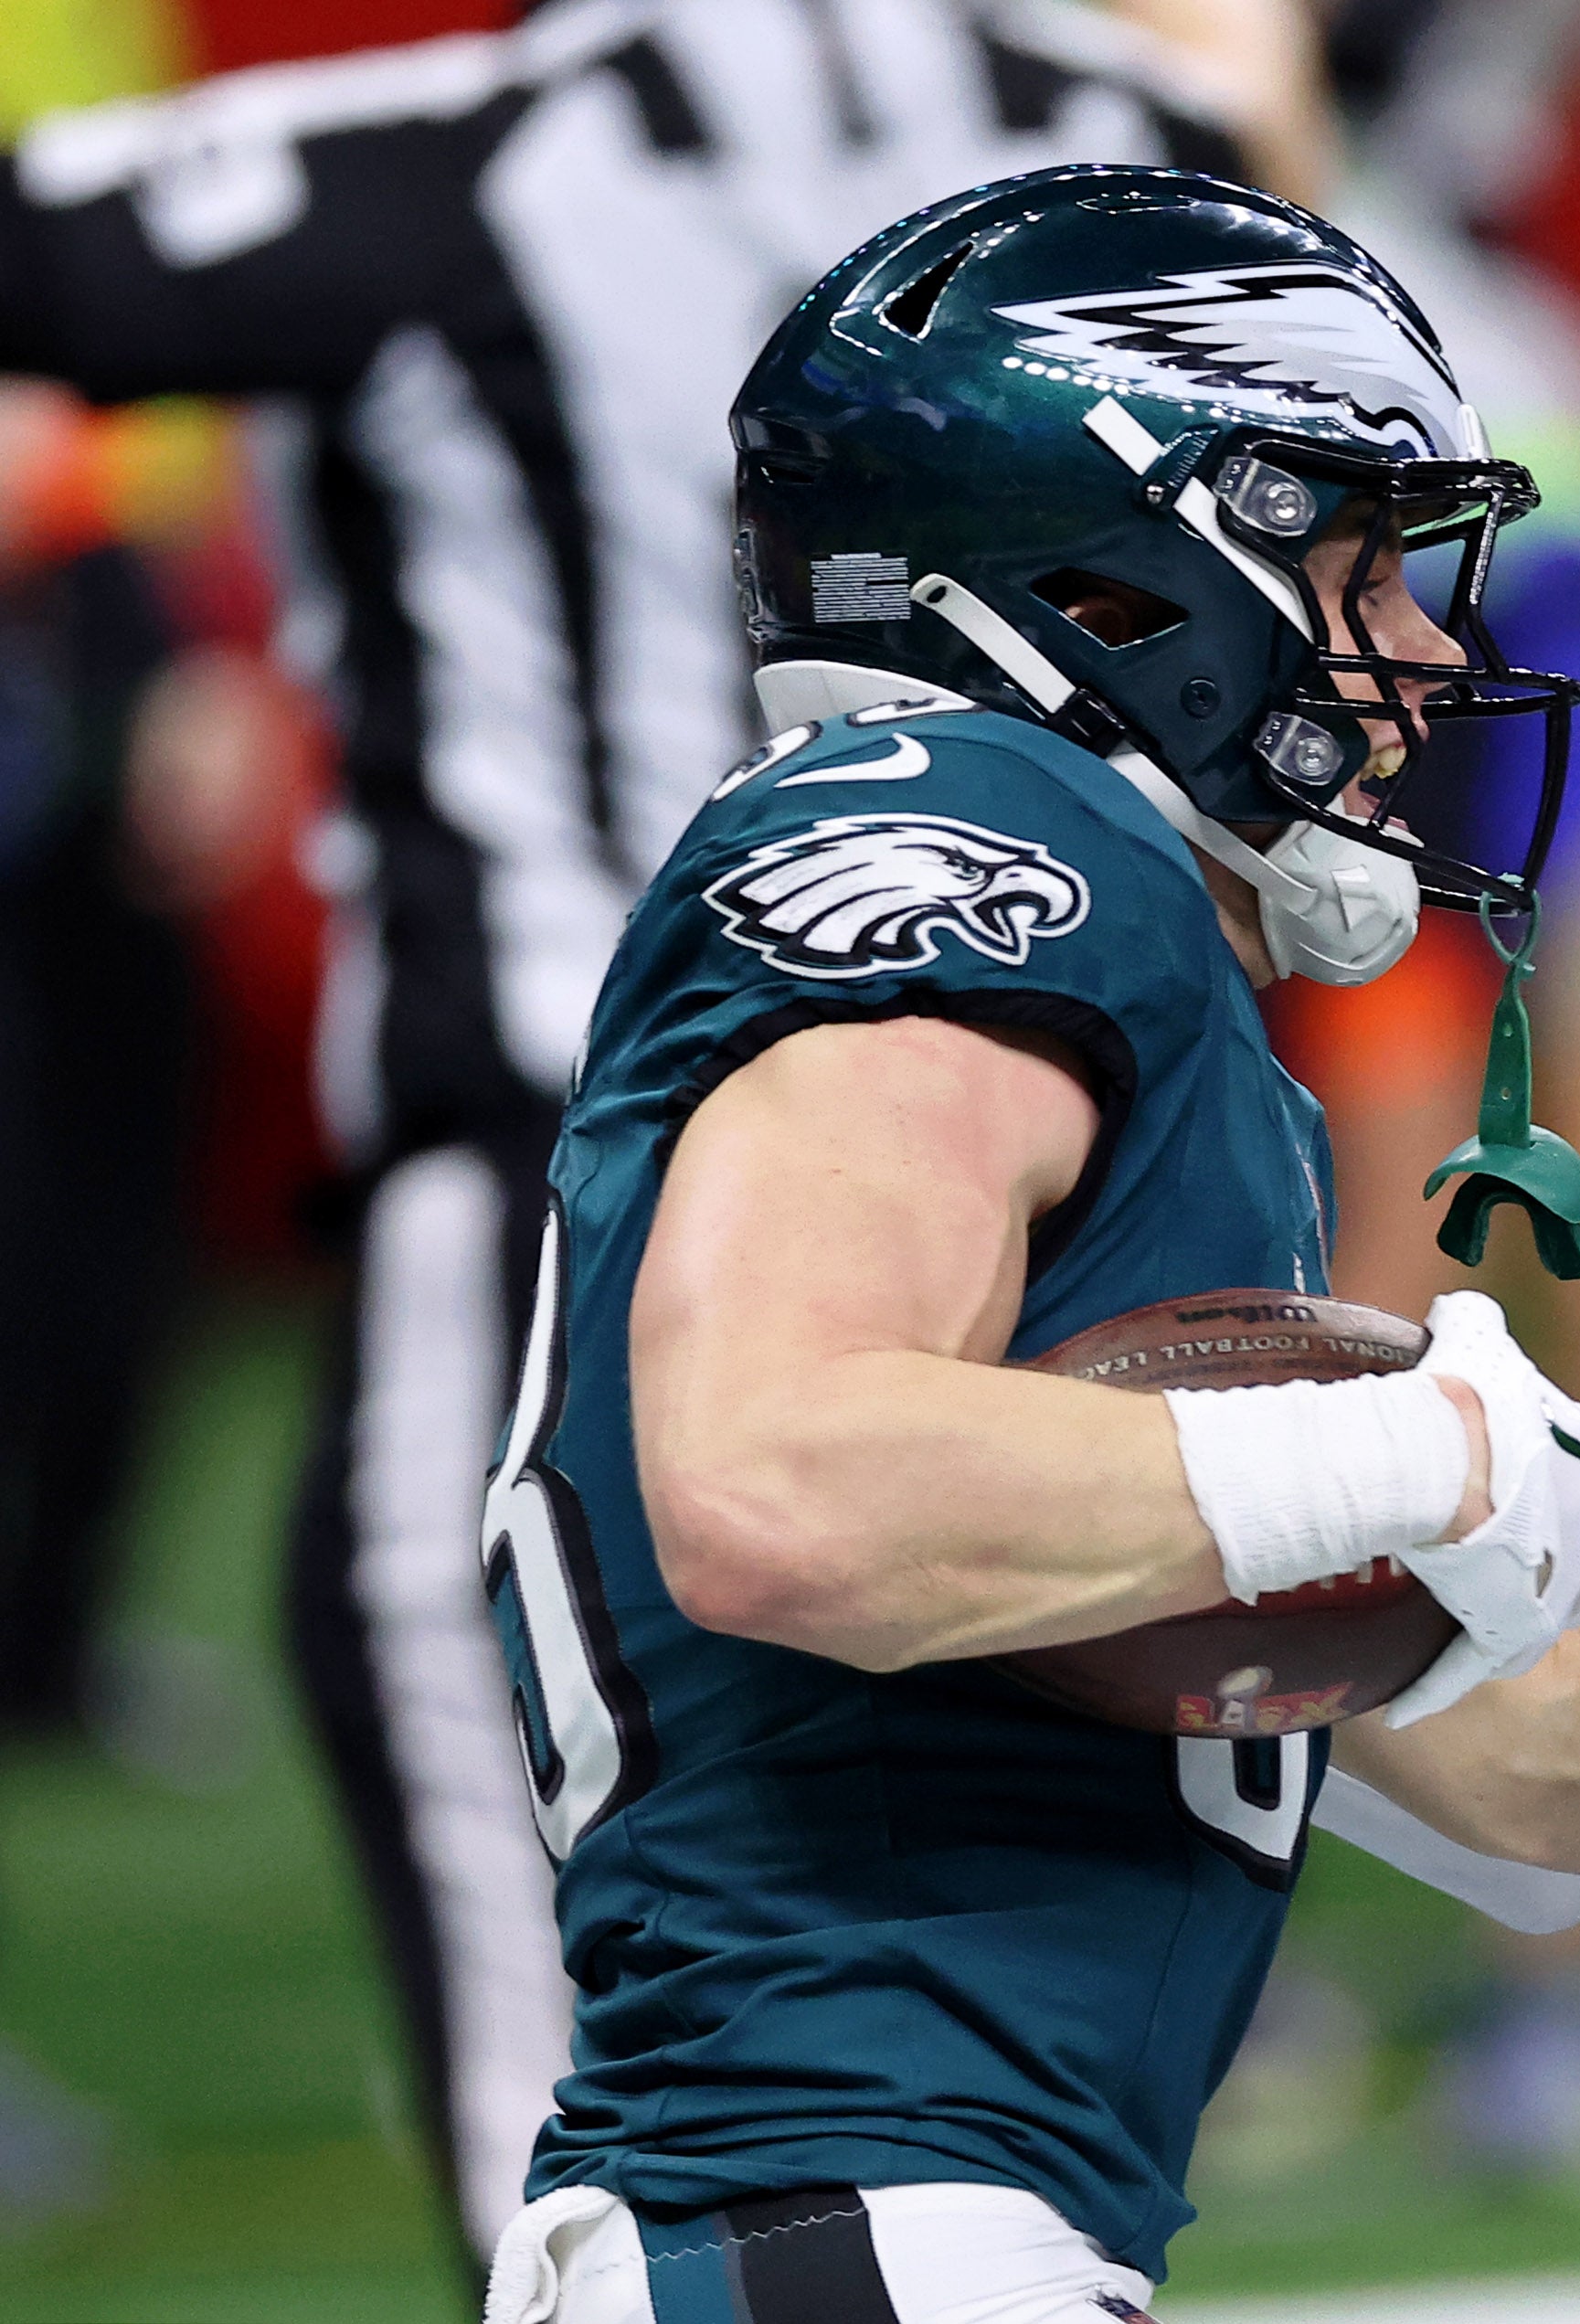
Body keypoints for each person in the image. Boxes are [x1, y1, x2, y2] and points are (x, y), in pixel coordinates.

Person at [476, 165, 1580, 2323]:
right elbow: (776, 1486)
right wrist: (1421, 1455)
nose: (1426, 648)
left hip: (904, 2230)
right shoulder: (975, 836)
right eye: (1361, 565)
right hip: (856, 2221)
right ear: (1125, 570)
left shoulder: (1122, 988)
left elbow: (1544, 1772)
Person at [0, 0, 1249, 2263]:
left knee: (588, 2127)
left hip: (557, 1186)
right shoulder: (1120, 126)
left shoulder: (452, 156)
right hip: (1055, 1170)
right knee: (975, 2087)